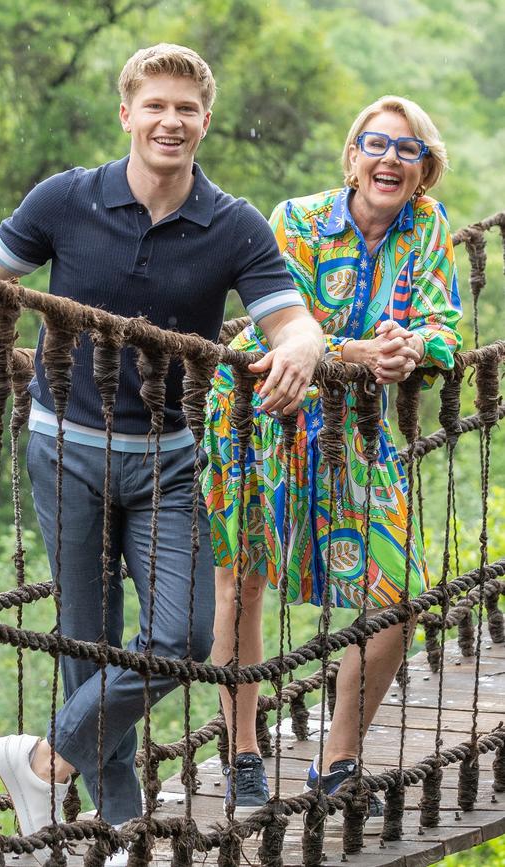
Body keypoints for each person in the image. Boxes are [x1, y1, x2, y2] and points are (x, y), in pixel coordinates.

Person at [0, 44, 323, 863]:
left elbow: (288, 316)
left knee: (178, 638)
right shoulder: (67, 200)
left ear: (205, 122)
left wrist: (305, 348)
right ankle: (114, 829)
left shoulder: (234, 223)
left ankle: (41, 760)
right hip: (63, 449)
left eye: (186, 109)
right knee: (88, 641)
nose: (170, 121)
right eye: (156, 106)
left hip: (169, 457)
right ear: (127, 115)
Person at [202, 95, 462, 826]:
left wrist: (415, 347)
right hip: (262, 418)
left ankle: (339, 759)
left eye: (406, 150)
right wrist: (356, 351)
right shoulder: (296, 220)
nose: (389, 159)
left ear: (424, 169)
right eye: (375, 145)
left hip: (357, 433)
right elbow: (275, 330)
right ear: (351, 158)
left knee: (397, 595)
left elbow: (444, 323)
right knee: (242, 582)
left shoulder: (428, 227)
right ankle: (244, 753)